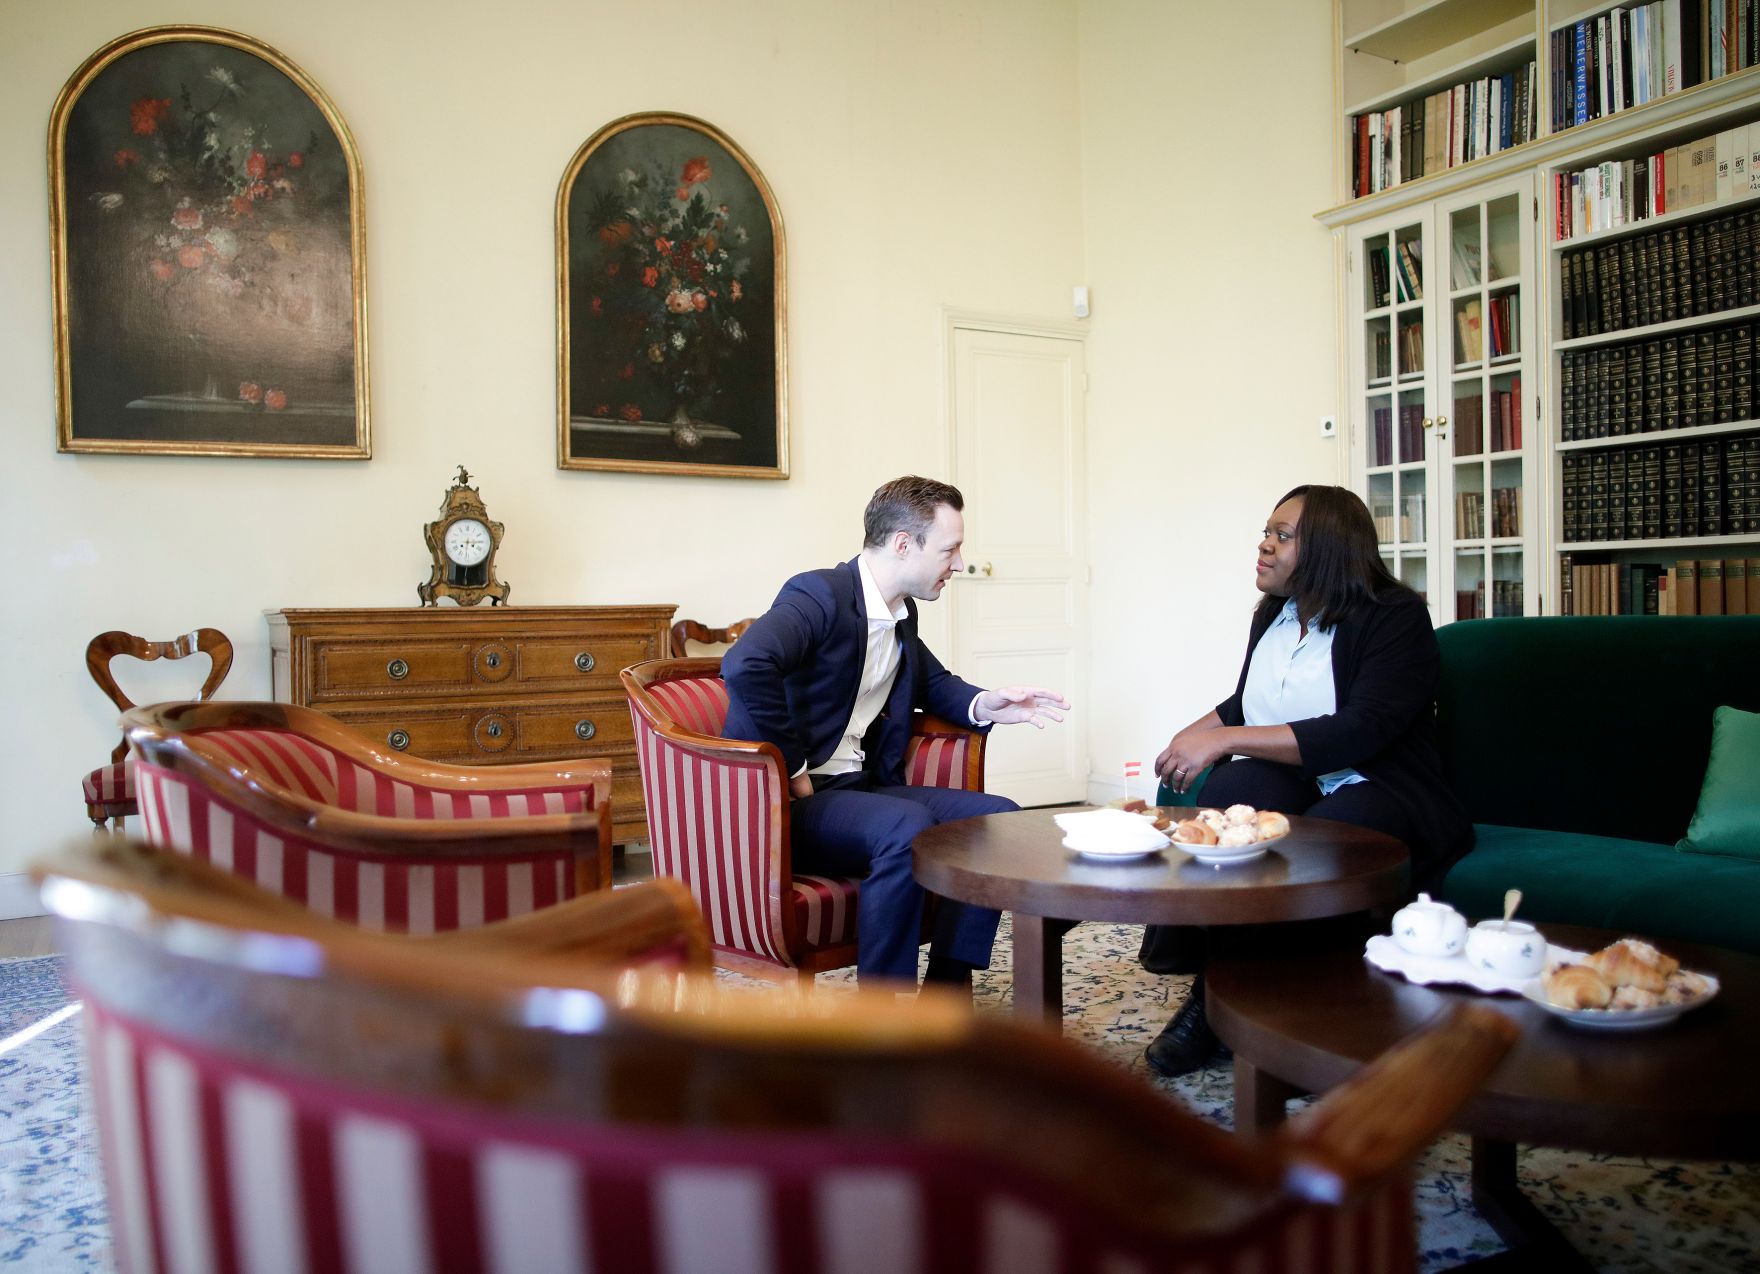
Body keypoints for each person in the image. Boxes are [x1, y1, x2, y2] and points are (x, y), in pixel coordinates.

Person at [1143, 484, 1471, 1075]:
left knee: (1323, 837)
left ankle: (1290, 1021)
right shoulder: (1276, 613)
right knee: (1227, 798)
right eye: (1265, 533)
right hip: (1306, 778)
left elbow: (1360, 731)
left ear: (1326, 546)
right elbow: (1250, 700)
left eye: (1281, 535)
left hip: (1383, 783)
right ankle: (1215, 997)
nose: (1264, 546)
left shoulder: (1394, 616)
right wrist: (1189, 739)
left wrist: (1222, 741)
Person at [721, 475, 1070, 989]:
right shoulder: (819, 594)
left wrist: (987, 704)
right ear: (904, 545)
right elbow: (746, 663)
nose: (957, 564)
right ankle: (883, 1016)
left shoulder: (899, 616)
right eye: (950, 549)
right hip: (788, 803)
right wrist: (792, 767)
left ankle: (946, 989)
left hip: (860, 791)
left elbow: (933, 682)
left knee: (999, 820)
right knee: (904, 825)